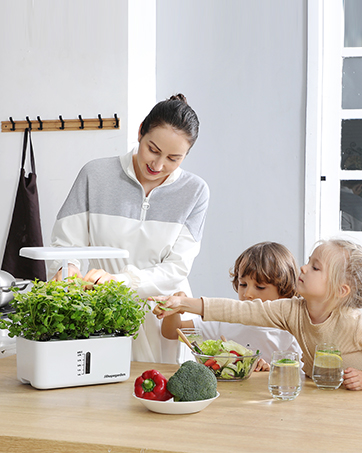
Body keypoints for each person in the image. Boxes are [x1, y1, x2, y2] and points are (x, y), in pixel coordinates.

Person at [48, 94, 210, 363]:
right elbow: (66, 245)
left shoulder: (195, 191)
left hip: (163, 318)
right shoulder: (95, 175)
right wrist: (69, 271)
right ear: (139, 133)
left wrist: (120, 282)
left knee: (161, 394)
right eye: (153, 150)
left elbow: (177, 269)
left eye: (173, 158)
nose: (158, 165)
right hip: (102, 312)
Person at [153, 239, 362, 390]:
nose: (304, 268)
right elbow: (238, 310)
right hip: (319, 397)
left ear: (340, 290)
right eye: (308, 261)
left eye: (315, 267)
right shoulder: (291, 311)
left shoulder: (355, 322)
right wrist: (183, 303)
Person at [162, 242, 302, 370]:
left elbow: (300, 375)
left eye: (260, 287)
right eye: (243, 284)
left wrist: (271, 369)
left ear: (284, 292)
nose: (247, 294)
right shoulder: (223, 321)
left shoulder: (292, 331)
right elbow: (173, 332)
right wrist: (174, 308)